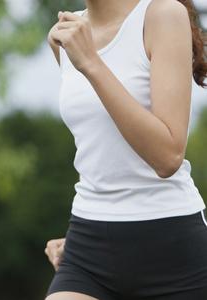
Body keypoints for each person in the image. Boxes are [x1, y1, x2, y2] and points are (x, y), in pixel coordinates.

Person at [44, 0, 207, 299]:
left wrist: (92, 63)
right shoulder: (64, 36)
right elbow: (103, 147)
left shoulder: (163, 15)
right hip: (87, 245)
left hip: (172, 252)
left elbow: (168, 157)